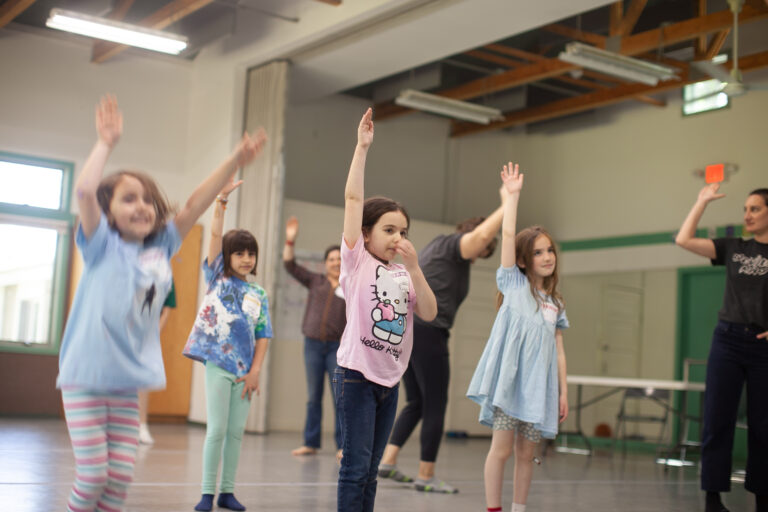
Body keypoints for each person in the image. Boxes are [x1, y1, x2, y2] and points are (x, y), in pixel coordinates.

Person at [56, 95, 267, 512]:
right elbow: (84, 191)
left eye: (147, 199)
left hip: (126, 382)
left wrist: (234, 160)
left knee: (120, 476)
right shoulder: (101, 245)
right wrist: (105, 143)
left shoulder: (161, 247)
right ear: (107, 211)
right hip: (85, 377)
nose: (142, 206)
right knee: (94, 474)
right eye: (128, 198)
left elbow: (192, 205)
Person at [335, 107, 437, 512]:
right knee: (355, 467)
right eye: (389, 229)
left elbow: (429, 311)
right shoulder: (357, 260)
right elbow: (353, 199)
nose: (397, 237)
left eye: (403, 231)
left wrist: (415, 268)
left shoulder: (403, 273)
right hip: (356, 377)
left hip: (389, 381)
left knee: (372, 471)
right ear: (365, 234)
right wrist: (362, 148)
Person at [379, 190, 505, 493]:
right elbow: (480, 236)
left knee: (417, 402)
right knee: (436, 404)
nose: (481, 253)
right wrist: (508, 204)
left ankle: (388, 460)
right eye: (484, 248)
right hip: (429, 331)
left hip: (412, 331)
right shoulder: (452, 245)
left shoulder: (442, 248)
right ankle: (426, 475)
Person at [467, 162, 569, 512]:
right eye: (538, 252)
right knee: (501, 450)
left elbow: (558, 349)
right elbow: (509, 236)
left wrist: (563, 392)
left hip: (539, 390)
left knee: (528, 454)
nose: (546, 257)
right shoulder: (513, 285)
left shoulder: (555, 303)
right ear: (524, 261)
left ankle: (518, 508)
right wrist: (512, 198)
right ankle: (493, 508)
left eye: (549, 250)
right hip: (510, 387)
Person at [182, 175, 273, 512]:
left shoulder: (259, 293)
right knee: (217, 430)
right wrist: (221, 201)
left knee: (235, 433)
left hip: (244, 372)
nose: (246, 258)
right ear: (227, 256)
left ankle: (227, 493)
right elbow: (215, 236)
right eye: (239, 253)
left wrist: (255, 371)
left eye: (251, 254)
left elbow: (264, 335)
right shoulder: (217, 277)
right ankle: (207, 493)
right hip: (218, 365)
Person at [675, 184, 768, 512]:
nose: (747, 215)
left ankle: (762, 498)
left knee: (763, 426)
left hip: (762, 347)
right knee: (717, 420)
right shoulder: (734, 247)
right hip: (727, 340)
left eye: (755, 209)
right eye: (745, 209)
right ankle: (713, 499)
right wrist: (701, 201)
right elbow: (683, 239)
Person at [283, 216, 346, 459]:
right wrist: (290, 240)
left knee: (340, 396)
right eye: (331, 259)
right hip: (312, 345)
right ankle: (310, 442)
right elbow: (290, 265)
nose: (336, 262)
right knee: (313, 397)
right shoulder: (315, 281)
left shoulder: (350, 285)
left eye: (339, 259)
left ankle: (343, 445)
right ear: (325, 263)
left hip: (338, 348)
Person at [138, 281, 176, 445]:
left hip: (147, 335)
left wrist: (153, 334)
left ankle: (142, 425)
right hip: (124, 331)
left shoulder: (165, 274)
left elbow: (167, 308)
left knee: (143, 381)